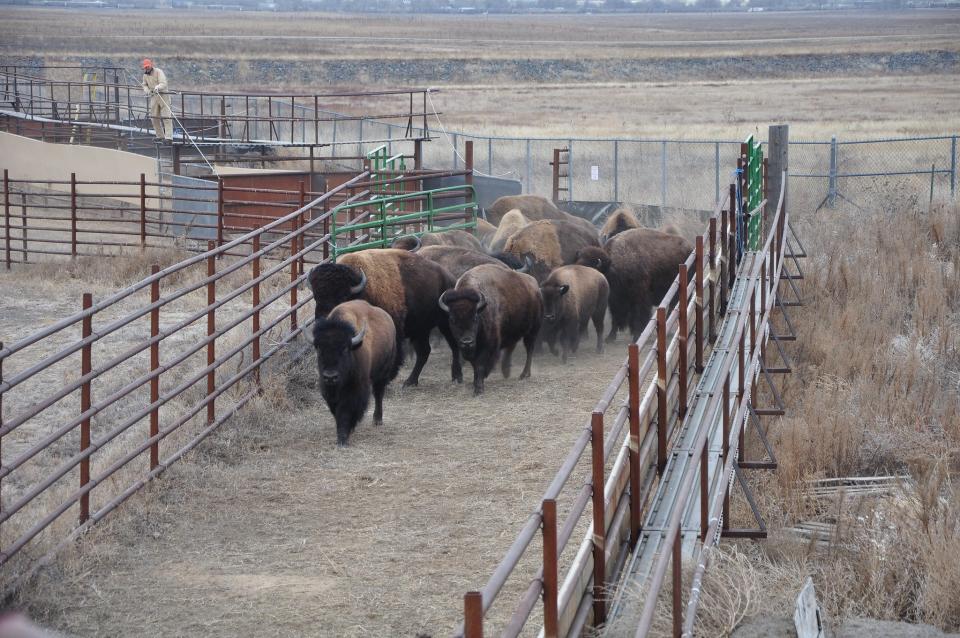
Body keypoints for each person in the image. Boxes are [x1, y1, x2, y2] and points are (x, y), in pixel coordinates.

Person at [140, 58, 173, 143]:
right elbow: (144, 85)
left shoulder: (159, 72)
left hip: (163, 96)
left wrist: (157, 87)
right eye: (145, 67)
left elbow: (163, 83)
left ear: (151, 65)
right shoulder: (145, 75)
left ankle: (169, 137)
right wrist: (147, 91)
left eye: (148, 66)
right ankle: (160, 136)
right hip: (154, 96)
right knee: (154, 117)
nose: (147, 68)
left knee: (166, 117)